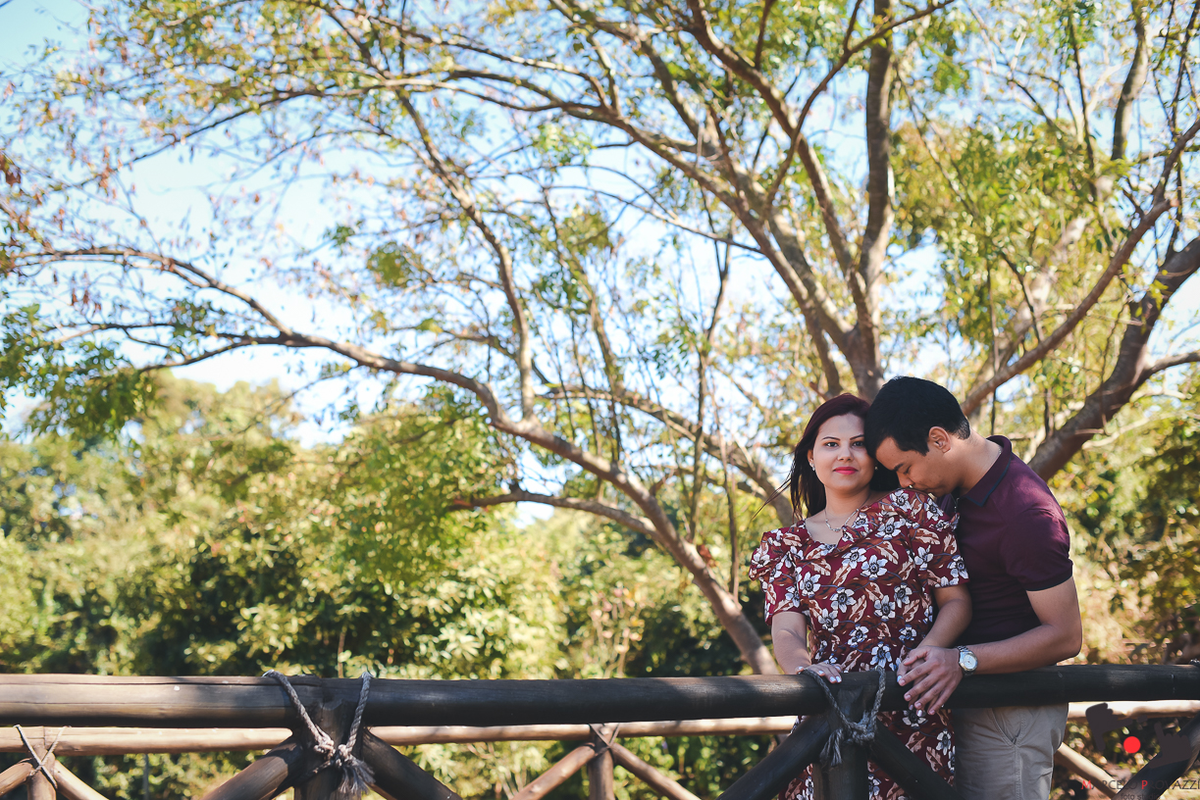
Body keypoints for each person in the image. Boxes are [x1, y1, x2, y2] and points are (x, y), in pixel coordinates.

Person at [864, 377, 1083, 800]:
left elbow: (1066, 635)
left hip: (1011, 714)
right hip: (960, 701)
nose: (904, 483)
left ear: (939, 439)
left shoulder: (1025, 513)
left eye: (905, 468)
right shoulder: (954, 490)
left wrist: (961, 660)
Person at [749, 393, 971, 800]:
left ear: (877, 456)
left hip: (913, 706)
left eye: (858, 444)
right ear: (811, 457)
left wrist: (928, 654)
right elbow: (787, 630)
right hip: (828, 723)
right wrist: (803, 669)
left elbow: (956, 601)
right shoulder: (785, 546)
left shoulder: (913, 510)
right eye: (831, 444)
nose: (844, 455)